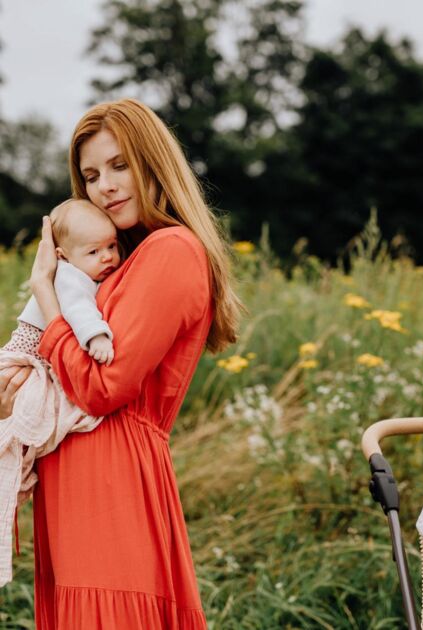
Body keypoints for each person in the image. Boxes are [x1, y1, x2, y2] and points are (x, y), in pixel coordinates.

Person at [0, 98, 241, 629]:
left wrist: (45, 292)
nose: (104, 186)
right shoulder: (115, 266)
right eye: (90, 175)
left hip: (112, 482)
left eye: (119, 165)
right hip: (77, 484)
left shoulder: (173, 249)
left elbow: (102, 387)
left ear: (153, 162)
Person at [7, 198, 121, 367]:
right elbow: (78, 306)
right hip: (29, 348)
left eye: (111, 246)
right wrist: (96, 336)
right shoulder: (68, 275)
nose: (107, 256)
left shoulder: (85, 271)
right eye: (93, 251)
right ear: (63, 256)